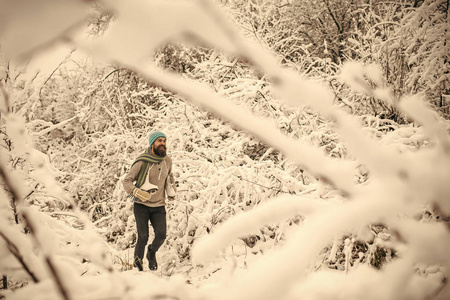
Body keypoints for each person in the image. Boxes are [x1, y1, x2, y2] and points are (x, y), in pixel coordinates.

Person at [123, 131, 176, 271]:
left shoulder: (167, 161)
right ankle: (137, 265)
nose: (163, 144)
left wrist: (171, 191)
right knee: (143, 236)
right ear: (152, 144)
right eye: (159, 141)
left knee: (161, 235)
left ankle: (151, 252)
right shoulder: (142, 161)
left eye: (164, 141)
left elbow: (169, 178)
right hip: (142, 205)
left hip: (159, 206)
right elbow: (127, 181)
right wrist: (136, 191)